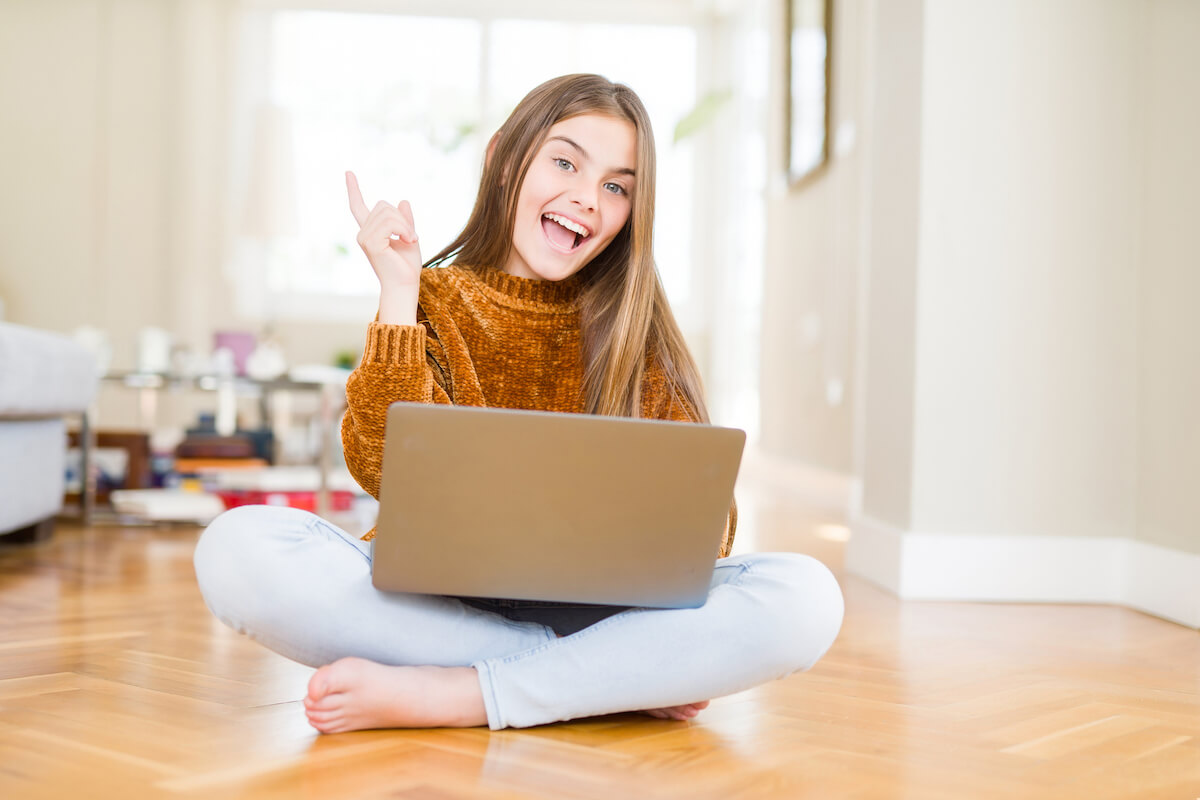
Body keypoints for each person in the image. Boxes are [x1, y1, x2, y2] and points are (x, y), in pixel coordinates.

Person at [194, 74, 843, 733]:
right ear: (504, 158)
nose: (587, 199)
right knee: (235, 548)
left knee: (807, 598)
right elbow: (378, 466)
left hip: (602, 610)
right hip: (433, 606)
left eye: (617, 186)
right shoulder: (432, 301)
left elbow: (711, 536)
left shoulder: (638, 330)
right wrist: (398, 293)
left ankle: (462, 695)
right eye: (565, 162)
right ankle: (598, 679)